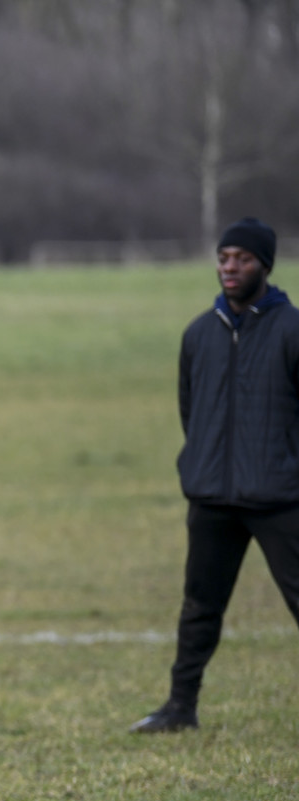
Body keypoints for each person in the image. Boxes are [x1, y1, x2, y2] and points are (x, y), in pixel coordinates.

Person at [131, 218, 299, 732]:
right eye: (224, 257)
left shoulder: (293, 331)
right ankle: (181, 707)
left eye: (242, 259)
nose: (230, 268)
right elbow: (192, 410)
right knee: (199, 607)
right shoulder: (198, 334)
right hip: (212, 497)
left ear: (265, 266)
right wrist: (202, 460)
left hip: (277, 496)